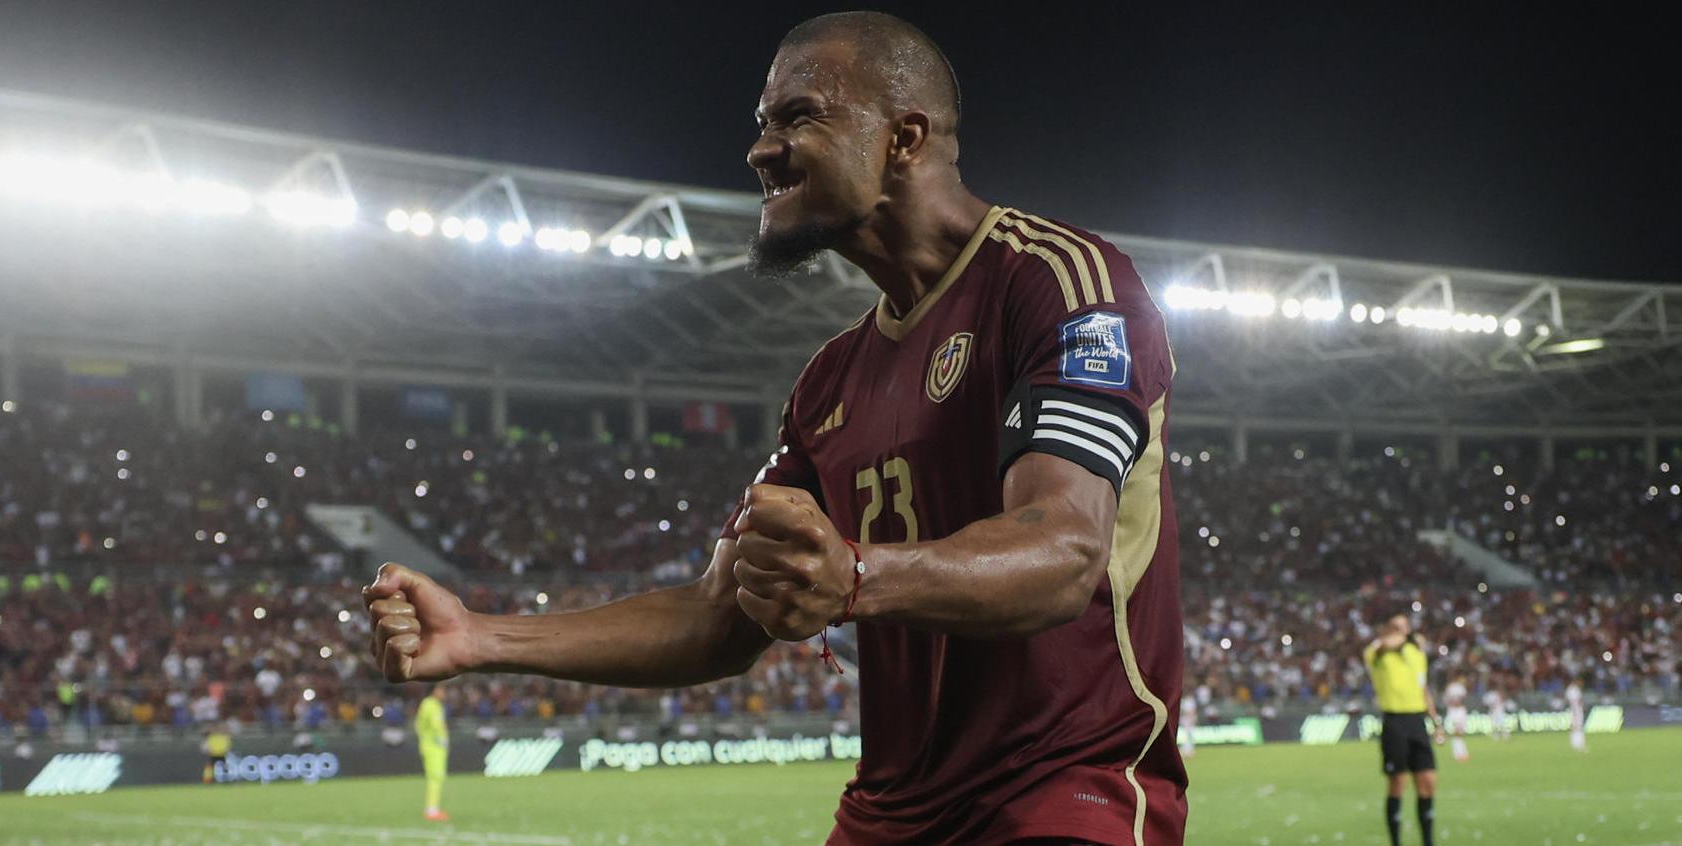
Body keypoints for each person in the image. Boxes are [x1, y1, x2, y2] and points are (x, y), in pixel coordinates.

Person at [363, 11, 1186, 844]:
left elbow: (1062, 553)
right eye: (763, 125)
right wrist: (478, 636)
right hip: (890, 814)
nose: (760, 150)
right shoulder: (829, 379)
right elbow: (717, 617)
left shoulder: (1059, 282)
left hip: (1063, 795)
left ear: (902, 138)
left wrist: (856, 575)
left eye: (797, 117)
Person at [1364, 614, 1441, 846]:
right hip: (1394, 721)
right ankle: (1395, 842)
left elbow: (1423, 688)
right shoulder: (1376, 652)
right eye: (1396, 627)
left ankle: (1428, 841)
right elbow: (1386, 645)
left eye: (1404, 626)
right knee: (1398, 782)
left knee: (1428, 780)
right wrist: (1404, 637)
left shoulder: (1416, 655)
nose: (1401, 631)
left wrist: (1435, 721)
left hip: (1417, 721)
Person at [416, 685, 450, 822]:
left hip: (432, 746)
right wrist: (441, 739)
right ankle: (432, 810)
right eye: (442, 689)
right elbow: (436, 725)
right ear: (435, 690)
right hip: (434, 747)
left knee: (436, 778)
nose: (444, 693)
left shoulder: (429, 704)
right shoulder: (431, 705)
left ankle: (432, 808)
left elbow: (418, 725)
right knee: (435, 778)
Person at [1441, 675, 1470, 761]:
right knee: (1458, 733)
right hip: (1457, 710)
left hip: (1453, 710)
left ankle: (1462, 753)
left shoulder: (1449, 687)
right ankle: (1458, 754)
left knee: (1458, 733)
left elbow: (1445, 700)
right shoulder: (1460, 687)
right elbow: (1463, 698)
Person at [1566, 678, 1586, 752]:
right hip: (1575, 711)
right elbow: (1573, 702)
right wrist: (1575, 712)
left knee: (1578, 727)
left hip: (1577, 711)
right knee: (1576, 727)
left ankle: (1578, 744)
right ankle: (1576, 744)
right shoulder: (1572, 690)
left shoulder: (1575, 689)